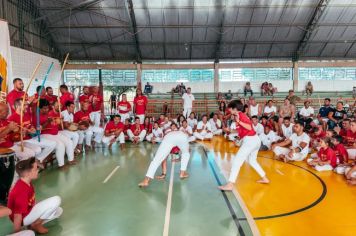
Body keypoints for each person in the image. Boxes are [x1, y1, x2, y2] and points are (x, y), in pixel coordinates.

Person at [219, 100, 269, 191]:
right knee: (252, 161)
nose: (229, 110)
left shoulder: (242, 116)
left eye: (230, 108)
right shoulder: (237, 117)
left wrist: (239, 122)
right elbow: (241, 131)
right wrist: (230, 131)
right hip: (254, 140)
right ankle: (264, 178)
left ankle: (230, 184)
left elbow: (249, 127)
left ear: (234, 109)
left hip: (250, 141)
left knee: (237, 161)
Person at [7, 158, 63, 234]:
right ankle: (36, 224)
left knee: (58, 210)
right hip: (23, 219)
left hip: (27, 214)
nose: (38, 170)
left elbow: (31, 202)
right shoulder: (21, 190)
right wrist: (18, 233)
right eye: (36, 169)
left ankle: (33, 224)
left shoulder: (26, 182)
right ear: (28, 174)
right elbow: (17, 216)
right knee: (56, 200)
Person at [33, 99, 76, 169]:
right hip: (46, 134)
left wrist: (58, 122)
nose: (47, 110)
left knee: (69, 142)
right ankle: (61, 165)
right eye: (45, 108)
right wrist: (48, 122)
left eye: (47, 108)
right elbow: (40, 129)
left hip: (55, 133)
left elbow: (55, 124)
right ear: (40, 108)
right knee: (60, 145)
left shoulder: (49, 114)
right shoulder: (37, 116)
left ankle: (71, 159)